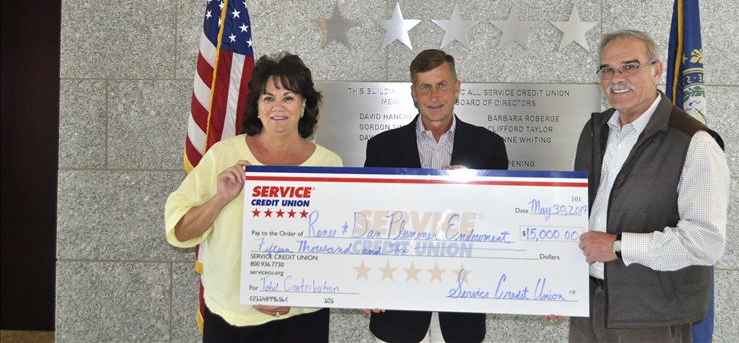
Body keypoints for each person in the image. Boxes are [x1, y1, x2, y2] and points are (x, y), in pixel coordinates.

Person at [164, 53, 343, 343]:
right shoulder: (223, 155)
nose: (277, 106)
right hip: (232, 319)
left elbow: (337, 246)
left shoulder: (330, 164)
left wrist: (296, 294)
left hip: (303, 320)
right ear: (257, 106)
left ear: (304, 105)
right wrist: (219, 199)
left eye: (288, 97)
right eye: (268, 98)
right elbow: (180, 232)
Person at [570, 30, 730, 342]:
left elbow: (706, 241)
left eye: (629, 66)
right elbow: (578, 216)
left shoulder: (695, 142)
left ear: (656, 71)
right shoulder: (595, 130)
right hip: (588, 306)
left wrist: (618, 245)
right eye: (607, 69)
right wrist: (560, 287)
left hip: (652, 315)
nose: (617, 78)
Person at [363, 49, 509, 343]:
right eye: (425, 87)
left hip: (462, 308)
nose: (434, 96)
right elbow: (369, 223)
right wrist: (366, 282)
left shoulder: (489, 145)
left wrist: (472, 190)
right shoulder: (382, 147)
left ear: (457, 88)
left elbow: (501, 222)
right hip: (396, 305)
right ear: (413, 93)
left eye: (442, 85)